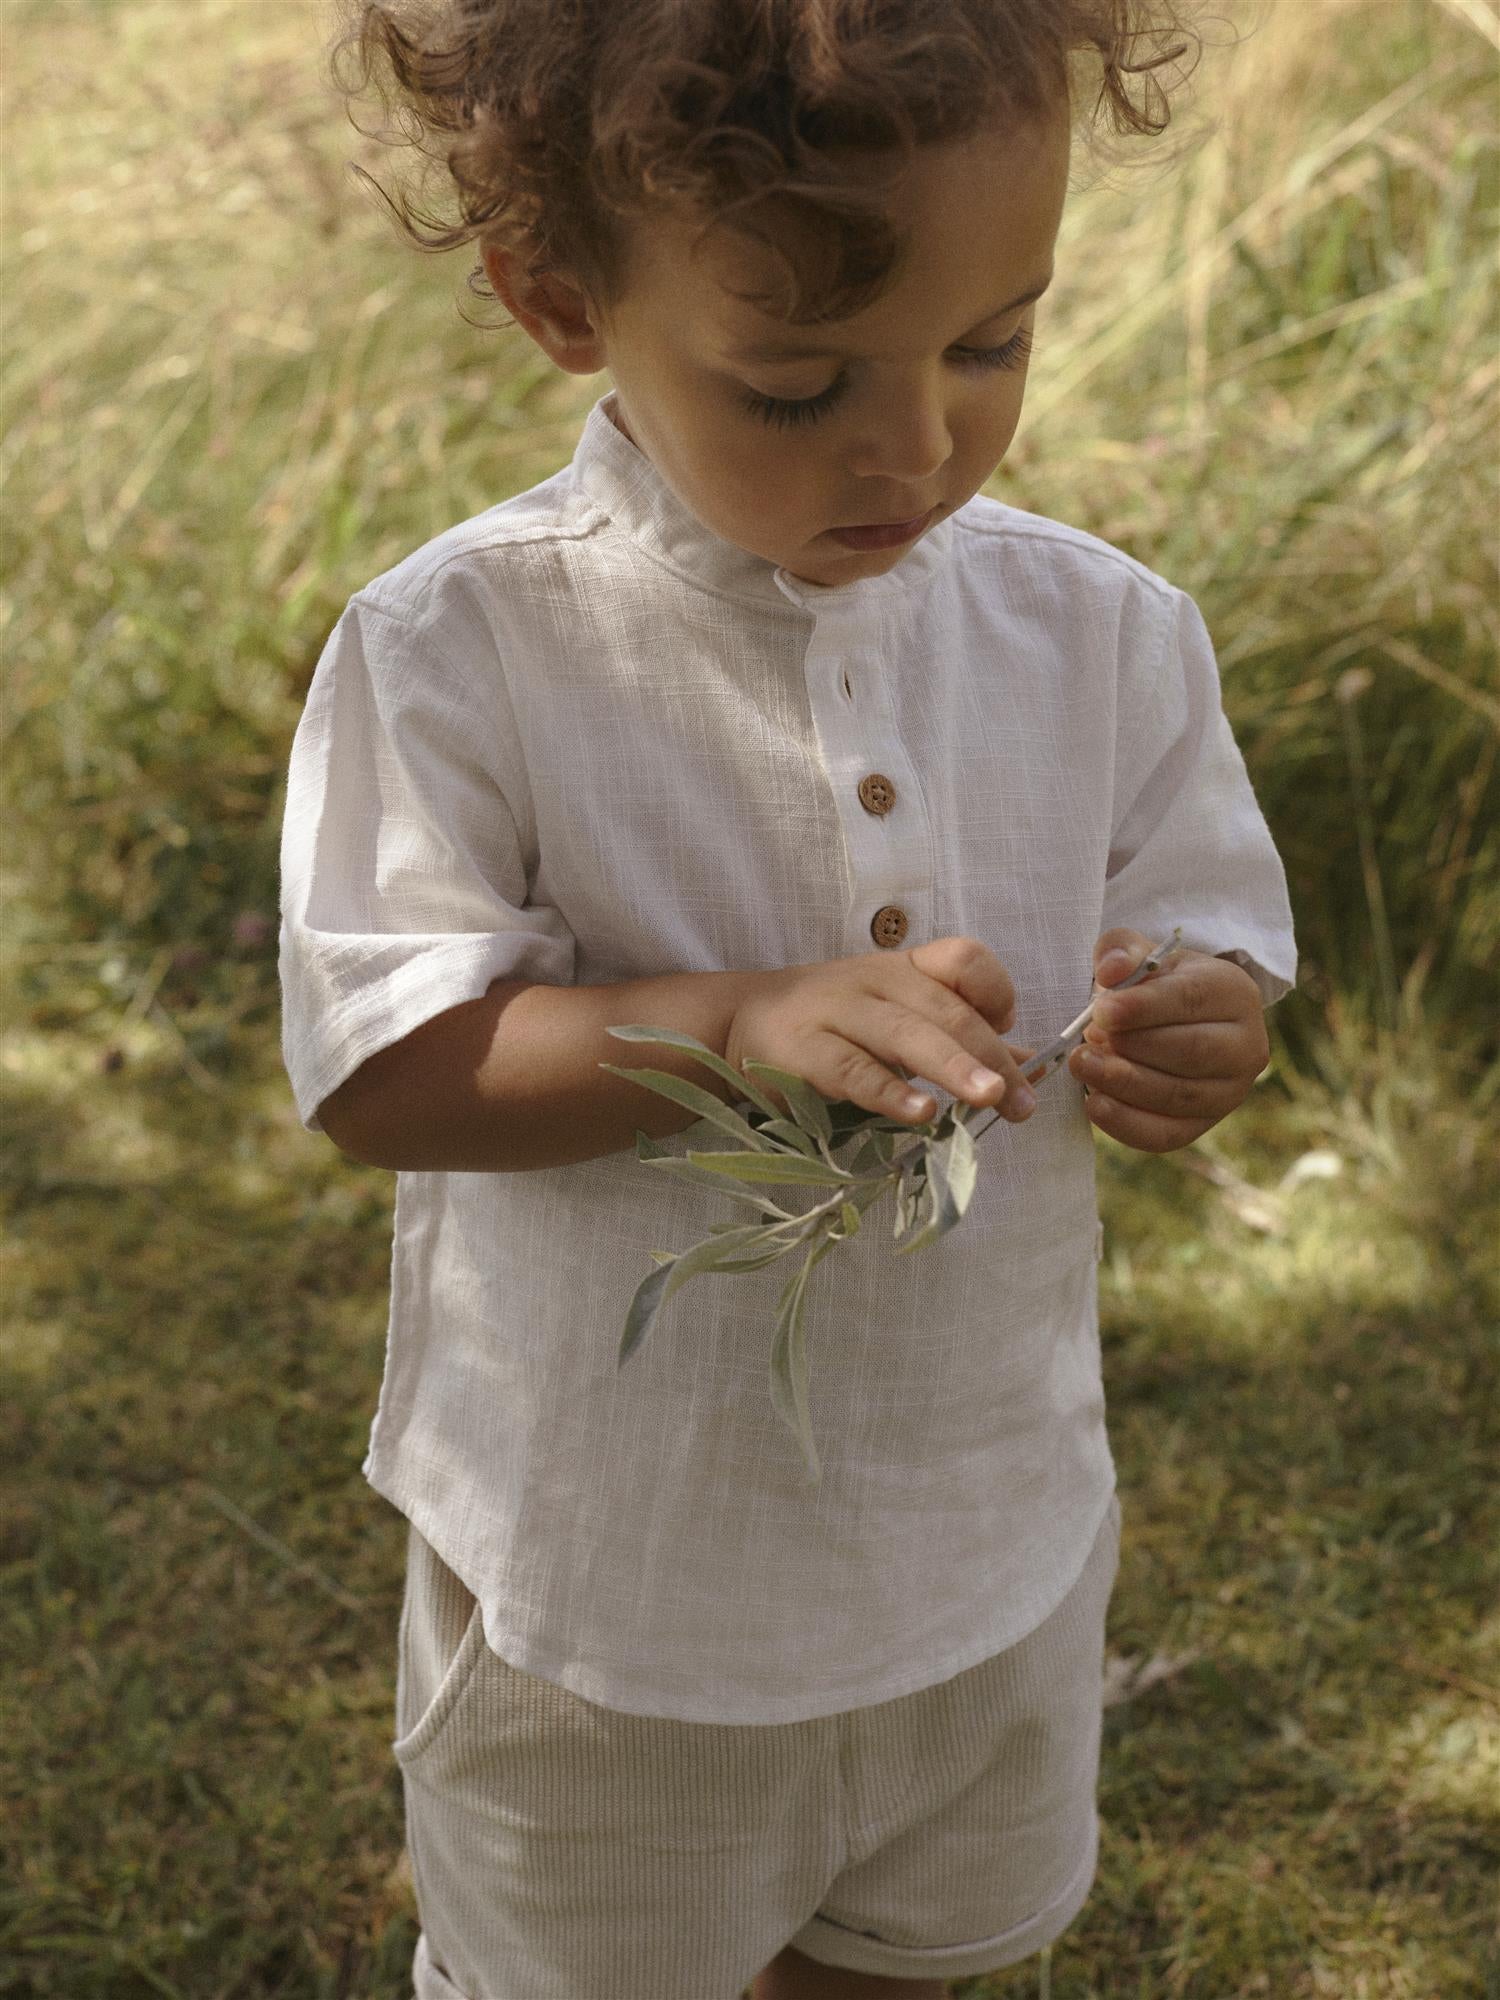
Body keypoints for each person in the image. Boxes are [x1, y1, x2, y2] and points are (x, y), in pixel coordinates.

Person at [279, 3, 1295, 1994]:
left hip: (984, 1545)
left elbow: (1201, 925)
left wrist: (1199, 1021)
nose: (914, 443)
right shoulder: (466, 648)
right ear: (561, 299)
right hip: (619, 1603)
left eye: (990, 343)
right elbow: (389, 1067)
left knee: (904, 1957)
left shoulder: (1099, 631)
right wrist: (732, 1029)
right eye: (797, 381)